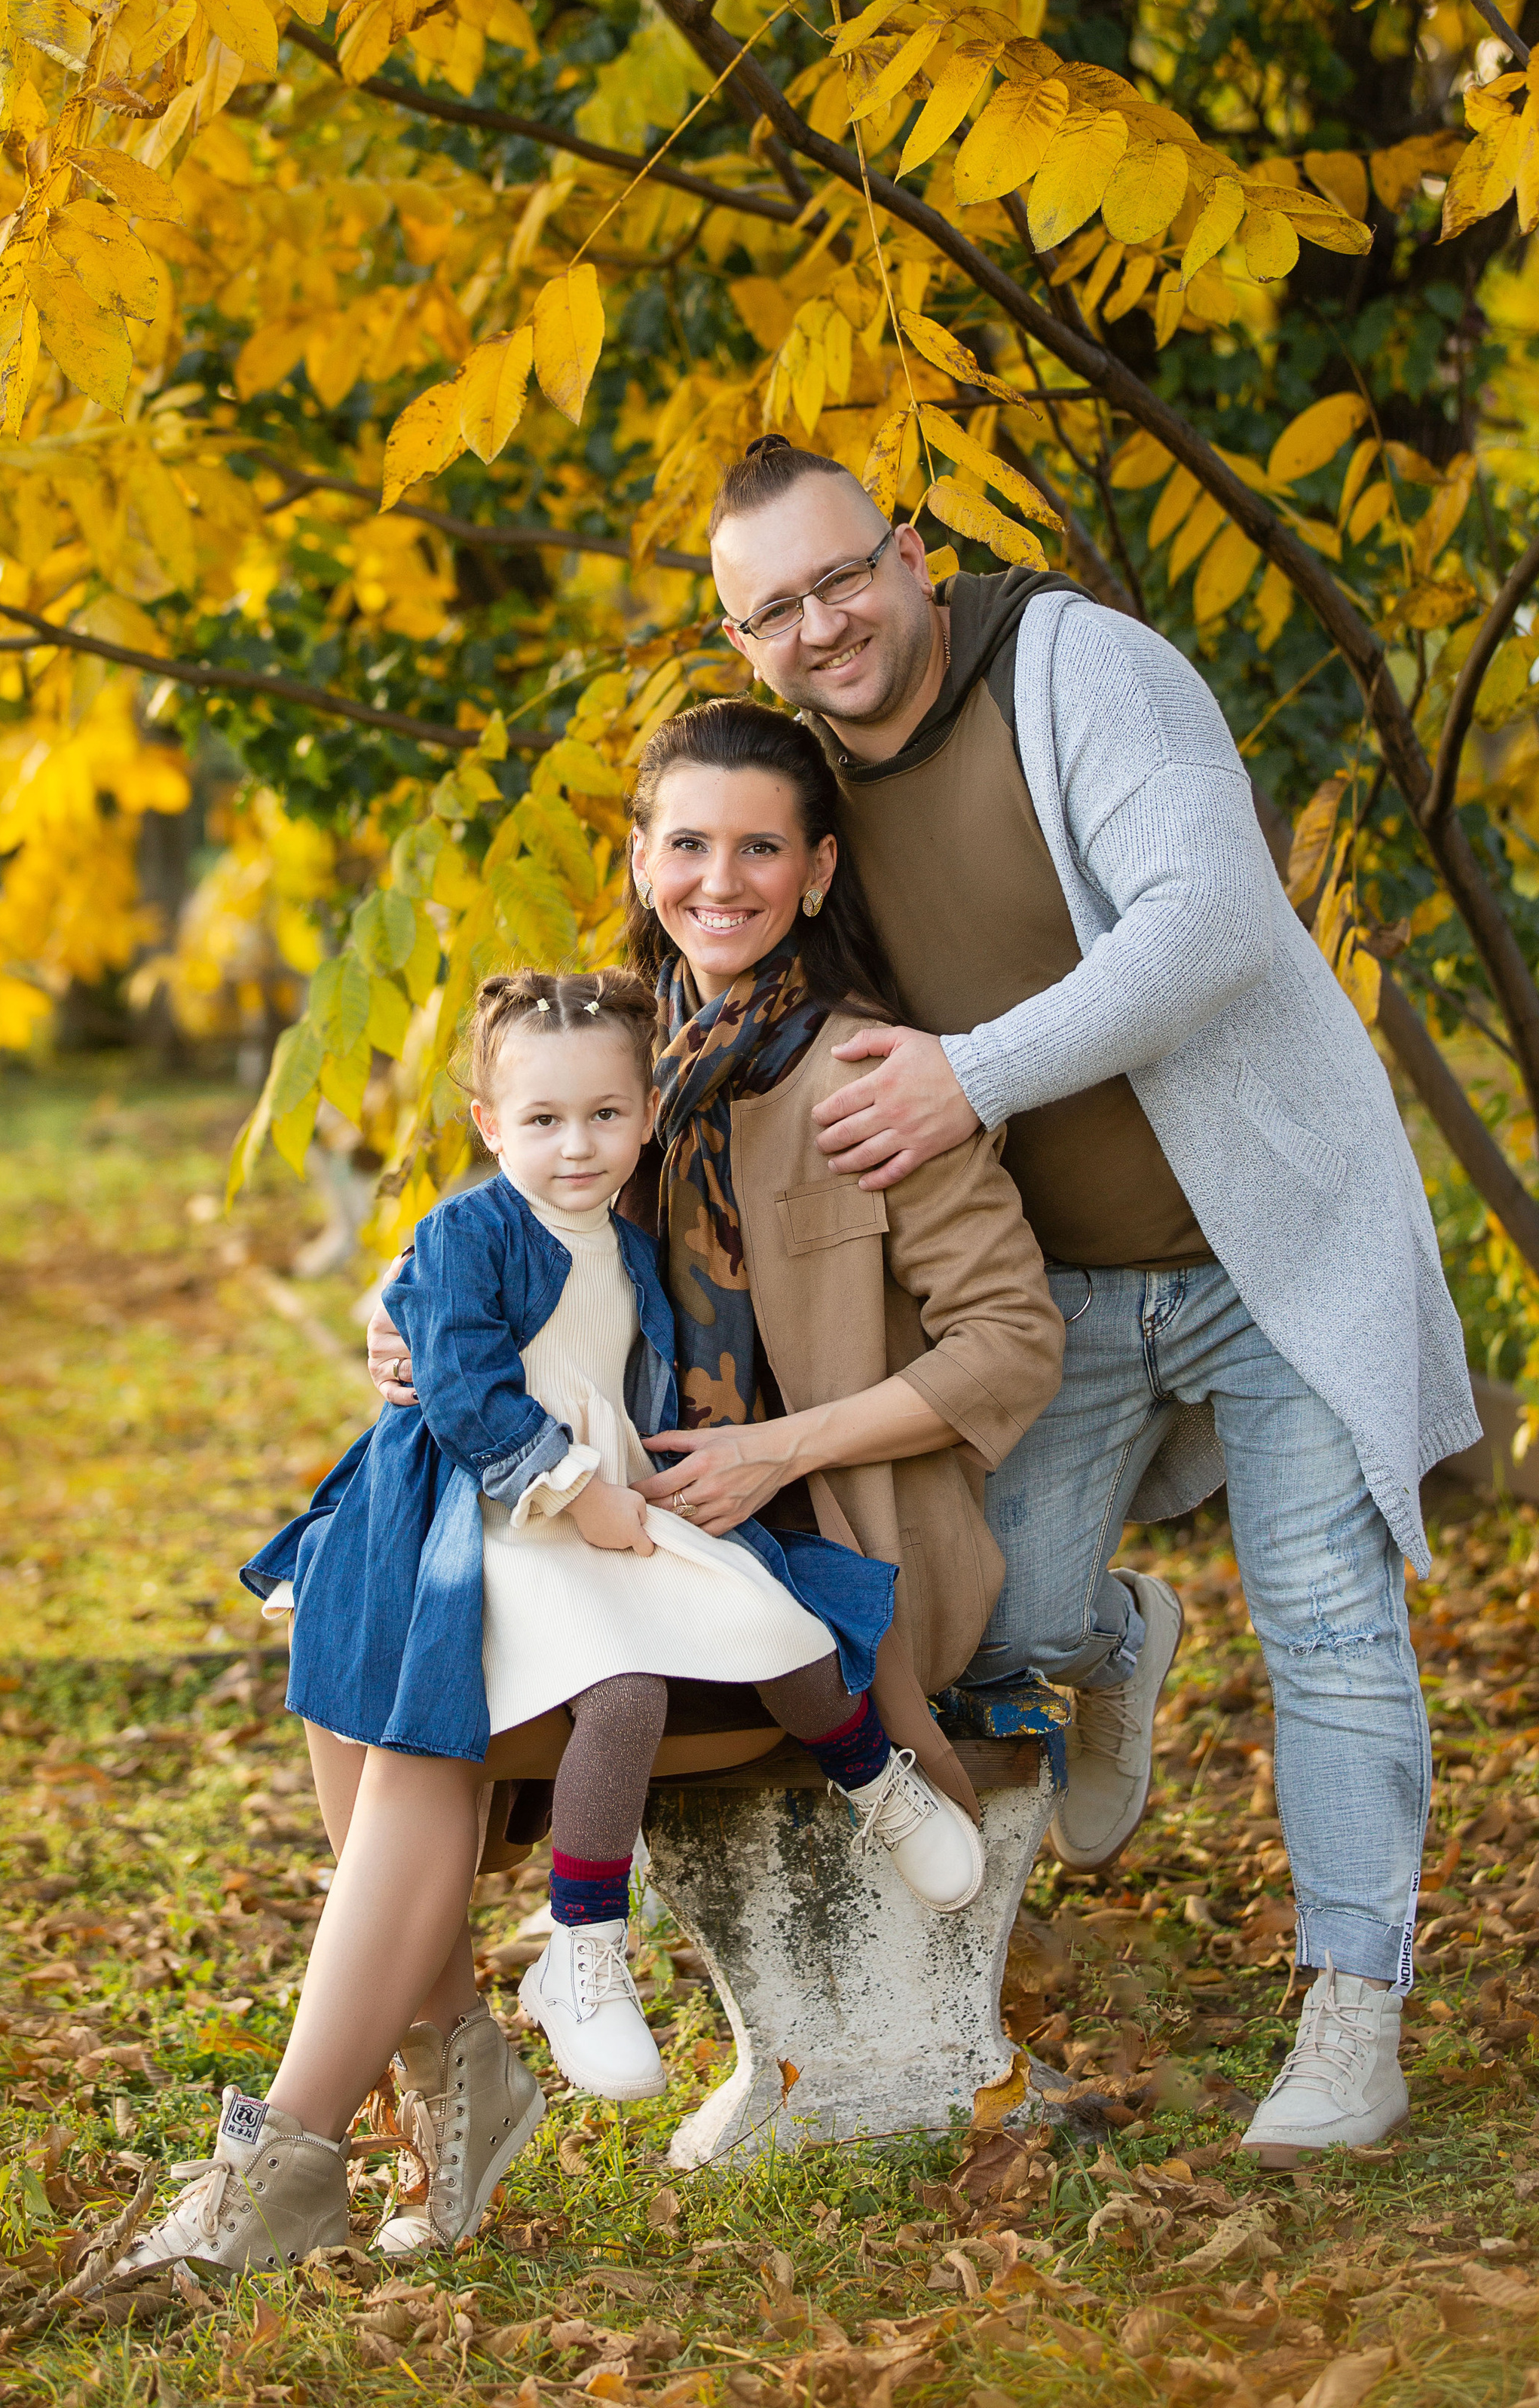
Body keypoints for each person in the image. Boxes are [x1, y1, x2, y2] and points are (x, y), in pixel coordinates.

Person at [673, 430, 1477, 2166]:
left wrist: (970, 1074)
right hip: (1065, 1289)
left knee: (1330, 1628)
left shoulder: (1075, 666)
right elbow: (699, 969)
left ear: (906, 546)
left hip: (1278, 1242)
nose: (820, 628)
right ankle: (1116, 1638)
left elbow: (1206, 925)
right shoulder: (800, 786)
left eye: (839, 576)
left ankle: (1352, 2013)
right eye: (772, 614)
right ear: (739, 643)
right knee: (989, 1622)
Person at [112, 952, 999, 2283]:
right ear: (491, 1123)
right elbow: (459, 1289)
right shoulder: (535, 1167)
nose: (576, 1142)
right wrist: (409, 1312)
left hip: (605, 1513)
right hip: (474, 1507)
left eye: (603, 1118)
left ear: (643, 1114)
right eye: (542, 1121)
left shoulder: (726, 1147)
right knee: (376, 1688)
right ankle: (378, 2119)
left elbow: (609, 1325)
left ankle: (341, 2138)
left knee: (447, 1727)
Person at [363, 700, 1066, 2223]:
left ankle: (425, 2085)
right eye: (688, 842)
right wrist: (397, 1316)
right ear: (642, 856)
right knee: (362, 1674)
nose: (720, 878)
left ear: (816, 874)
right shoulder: (624, 1055)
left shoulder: (871, 1078)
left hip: (813, 1546)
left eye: (761, 847)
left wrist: (775, 1448)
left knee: (414, 1705)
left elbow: (1011, 1342)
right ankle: (454, 2072)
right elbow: (494, 1225)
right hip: (619, 1524)